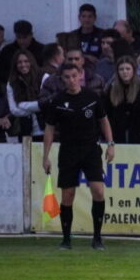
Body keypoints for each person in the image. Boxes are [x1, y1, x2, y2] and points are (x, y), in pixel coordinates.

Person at [40, 62, 115, 250]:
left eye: (74, 76)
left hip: (90, 149)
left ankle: (97, 238)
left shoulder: (92, 97)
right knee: (68, 195)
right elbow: (49, 128)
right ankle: (66, 240)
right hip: (68, 151)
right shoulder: (57, 101)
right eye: (67, 77)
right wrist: (45, 155)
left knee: (98, 190)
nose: (71, 80)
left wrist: (110, 144)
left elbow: (103, 121)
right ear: (62, 79)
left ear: (80, 74)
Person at [103, 55, 140, 145]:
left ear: (134, 70)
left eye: (128, 69)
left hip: (138, 137)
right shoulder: (111, 89)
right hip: (116, 136)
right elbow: (106, 113)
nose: (125, 72)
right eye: (121, 69)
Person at [6, 50, 45, 140]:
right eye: (19, 62)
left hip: (45, 129)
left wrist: (21, 105)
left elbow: (45, 104)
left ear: (31, 61)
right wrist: (36, 108)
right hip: (25, 130)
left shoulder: (43, 77)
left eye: (26, 61)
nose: (23, 65)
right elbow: (14, 110)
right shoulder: (11, 82)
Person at [0, 20, 44, 86]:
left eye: (24, 38)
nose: (21, 41)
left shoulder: (41, 50)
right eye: (18, 37)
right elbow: (1, 72)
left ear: (31, 35)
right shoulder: (7, 51)